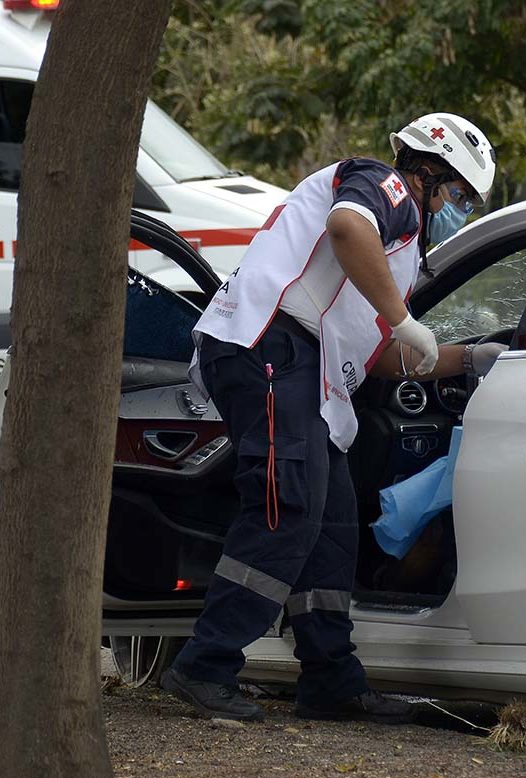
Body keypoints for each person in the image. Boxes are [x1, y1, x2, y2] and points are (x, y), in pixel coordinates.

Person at [160, 113, 505, 723]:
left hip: (304, 368)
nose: (460, 211)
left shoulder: (398, 252)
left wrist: (470, 357)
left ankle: (330, 680)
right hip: (269, 345)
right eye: (458, 196)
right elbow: (347, 228)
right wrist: (403, 317)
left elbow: (381, 360)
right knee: (286, 503)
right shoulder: (386, 187)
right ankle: (203, 665)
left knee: (333, 517)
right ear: (428, 173)